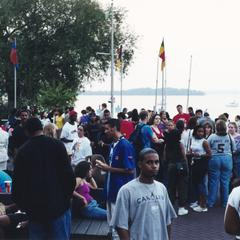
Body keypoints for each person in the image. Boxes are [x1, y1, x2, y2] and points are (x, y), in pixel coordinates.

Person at [12, 117, 76, 240]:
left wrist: (25, 206)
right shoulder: (58, 145)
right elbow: (69, 176)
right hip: (58, 206)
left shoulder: (23, 152)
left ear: (27, 131)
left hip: (35, 210)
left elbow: (18, 184)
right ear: (41, 128)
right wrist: (65, 199)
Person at [111, 148, 177, 240]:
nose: (154, 166)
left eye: (156, 162)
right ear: (140, 164)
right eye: (149, 162)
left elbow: (168, 221)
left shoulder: (161, 188)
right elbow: (121, 225)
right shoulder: (126, 190)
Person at [95, 118, 135, 237]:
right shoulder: (113, 145)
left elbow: (130, 170)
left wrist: (107, 168)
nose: (105, 132)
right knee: (112, 225)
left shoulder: (125, 145)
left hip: (119, 191)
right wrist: (104, 167)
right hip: (111, 190)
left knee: (120, 226)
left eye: (107, 129)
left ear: (114, 128)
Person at [207, 119, 236, 208]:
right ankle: (225, 203)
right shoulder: (229, 137)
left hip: (214, 159)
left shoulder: (212, 136)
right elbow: (234, 149)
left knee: (213, 181)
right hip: (227, 159)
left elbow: (207, 147)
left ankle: (211, 202)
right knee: (225, 182)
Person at [164, 129, 189, 216]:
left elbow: (165, 156)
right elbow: (184, 156)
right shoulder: (180, 144)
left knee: (171, 187)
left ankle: (170, 207)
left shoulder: (167, 144)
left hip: (171, 165)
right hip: (180, 165)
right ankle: (181, 207)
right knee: (182, 186)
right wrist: (186, 166)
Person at [187, 125, 211, 212]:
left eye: (202, 132)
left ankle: (203, 205)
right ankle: (198, 201)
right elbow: (191, 149)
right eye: (199, 131)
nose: (201, 133)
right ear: (195, 131)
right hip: (194, 163)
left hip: (202, 164)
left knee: (202, 184)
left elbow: (209, 154)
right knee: (196, 183)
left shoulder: (204, 141)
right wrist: (190, 153)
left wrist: (200, 155)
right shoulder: (192, 139)